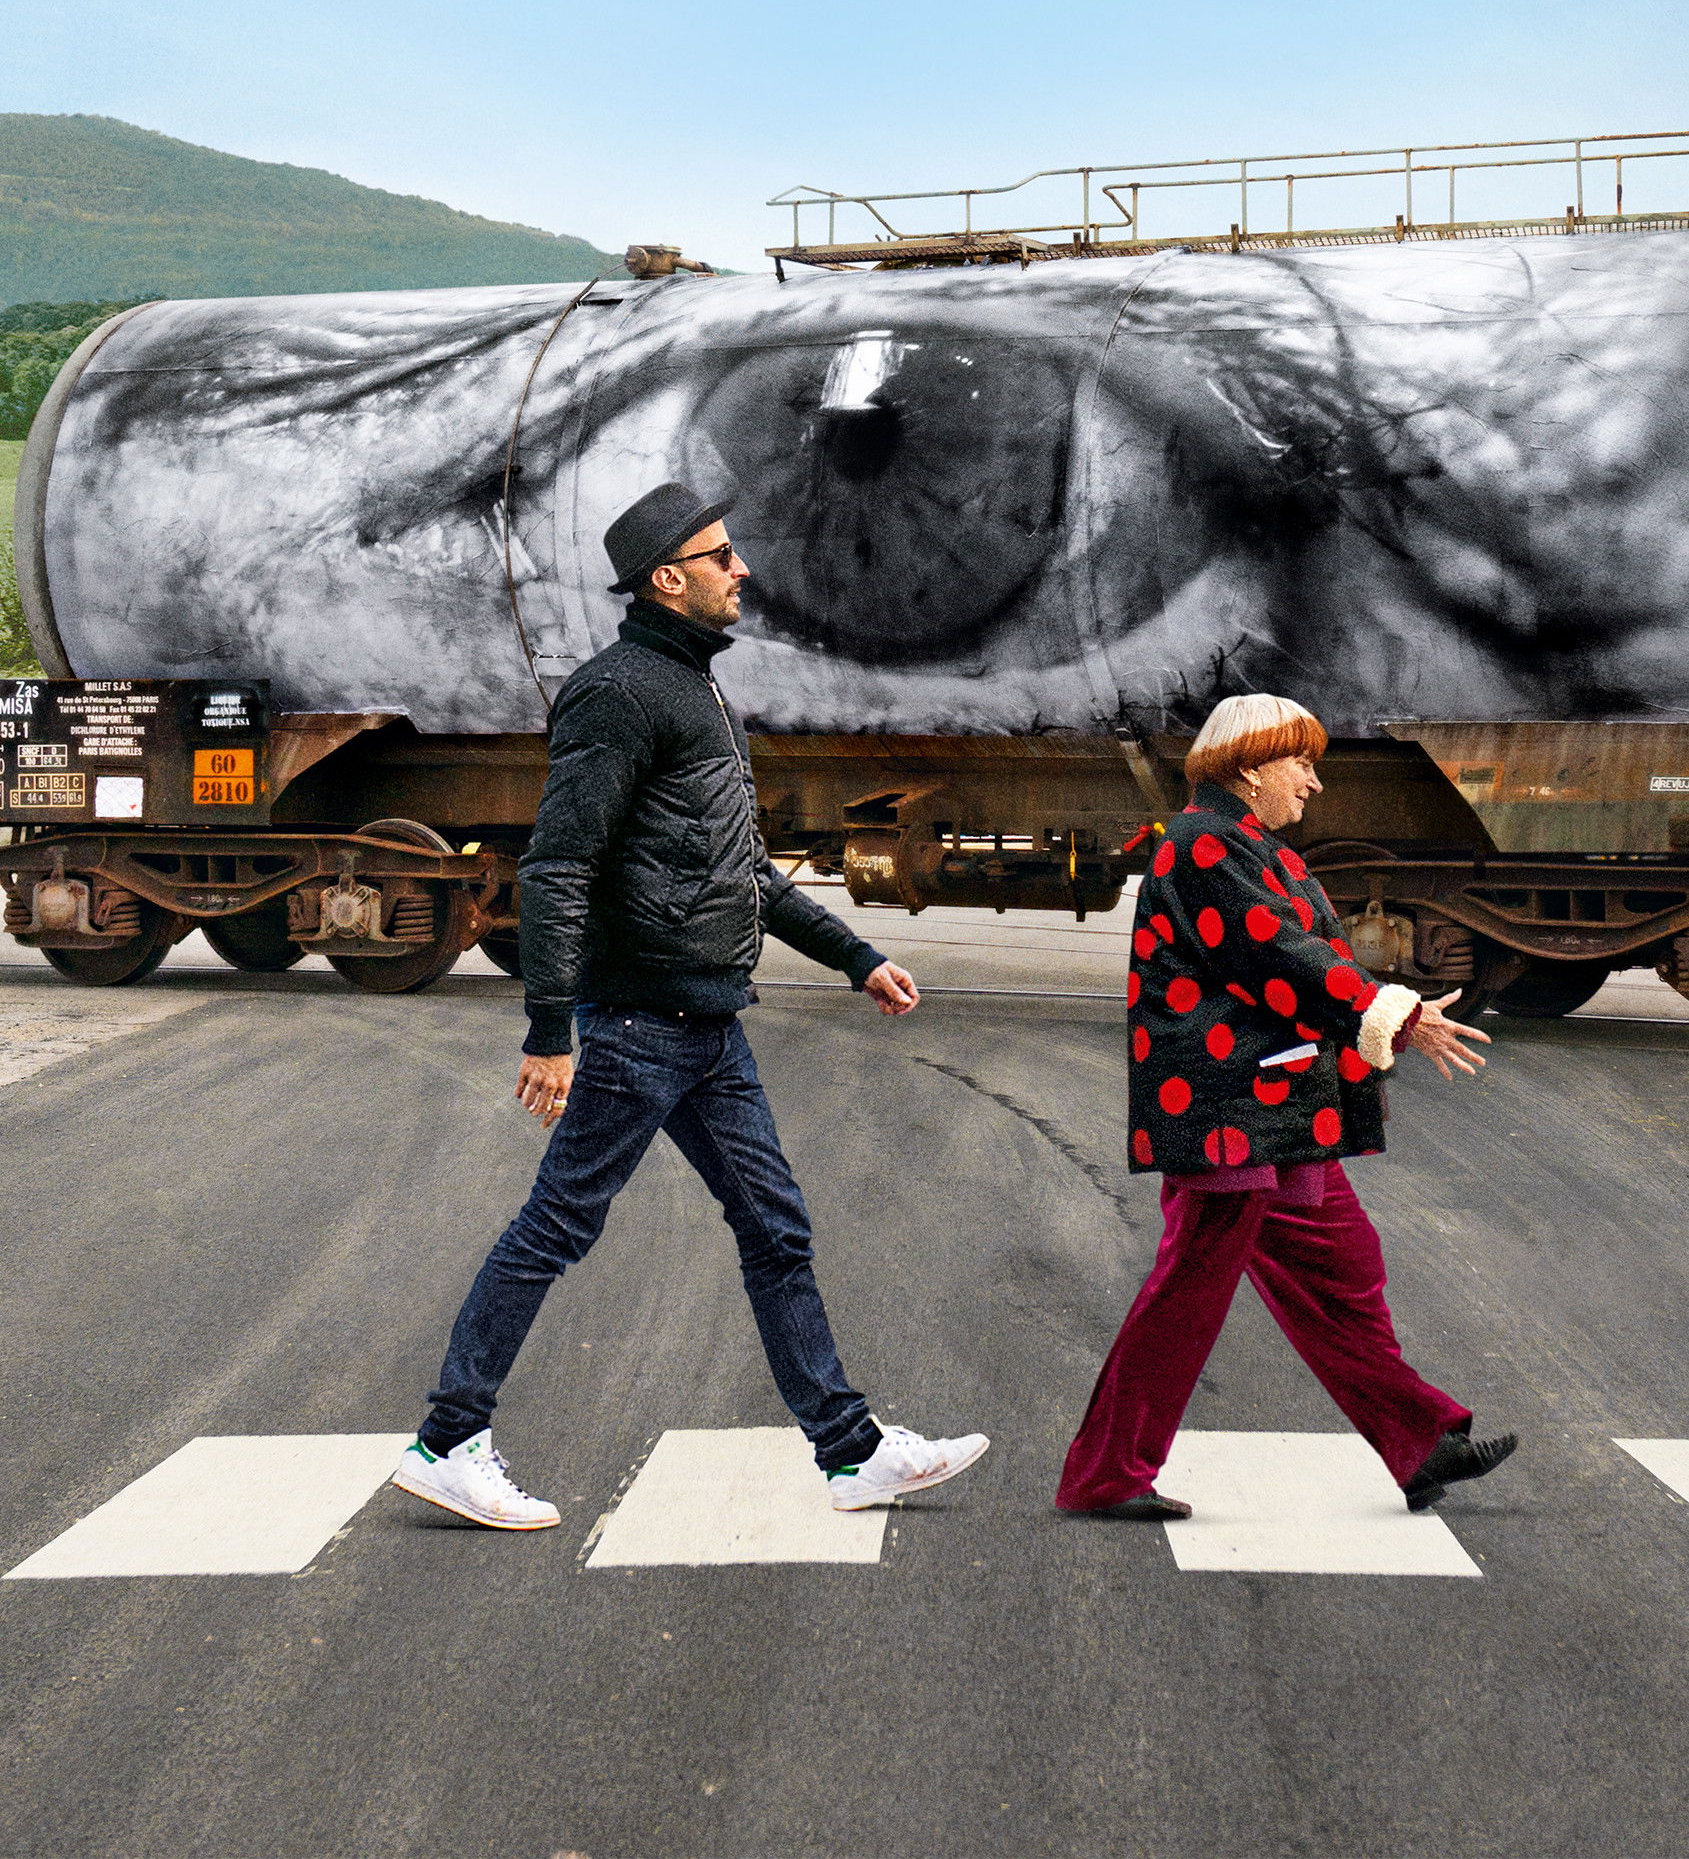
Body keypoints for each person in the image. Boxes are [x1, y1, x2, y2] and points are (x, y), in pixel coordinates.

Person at [394, 479, 987, 1531]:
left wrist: (857, 958)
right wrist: (550, 1031)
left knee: (774, 1227)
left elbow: (742, 872)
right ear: (667, 578)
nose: (740, 568)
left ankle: (850, 1453)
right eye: (720, 556)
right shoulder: (619, 693)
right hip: (639, 1024)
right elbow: (560, 865)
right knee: (557, 1226)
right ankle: (448, 1441)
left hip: (706, 1024)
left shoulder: (696, 689)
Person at [1057, 692, 1517, 1522]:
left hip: (1276, 1112)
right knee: (1187, 1295)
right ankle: (1106, 1476)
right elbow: (1278, 956)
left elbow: (1295, 954)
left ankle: (1419, 1440)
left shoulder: (1243, 842)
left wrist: (1379, 1013)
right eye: (1299, 763)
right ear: (1248, 769)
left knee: (1344, 1265)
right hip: (1231, 1116)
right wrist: (1394, 1014)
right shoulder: (1202, 845)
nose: (1313, 782)